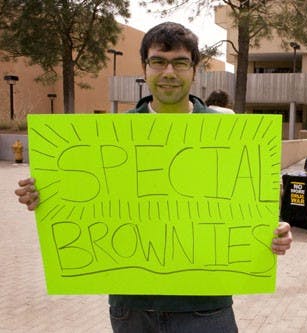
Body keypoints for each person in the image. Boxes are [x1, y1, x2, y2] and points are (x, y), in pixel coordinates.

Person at [14, 22, 292, 333]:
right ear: (145, 68)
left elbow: (253, 205)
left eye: (180, 62)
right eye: (158, 61)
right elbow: (81, 195)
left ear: (194, 69)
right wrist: (44, 194)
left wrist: (276, 230)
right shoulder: (113, 134)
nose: (168, 72)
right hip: (133, 308)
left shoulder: (229, 133)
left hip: (204, 307)